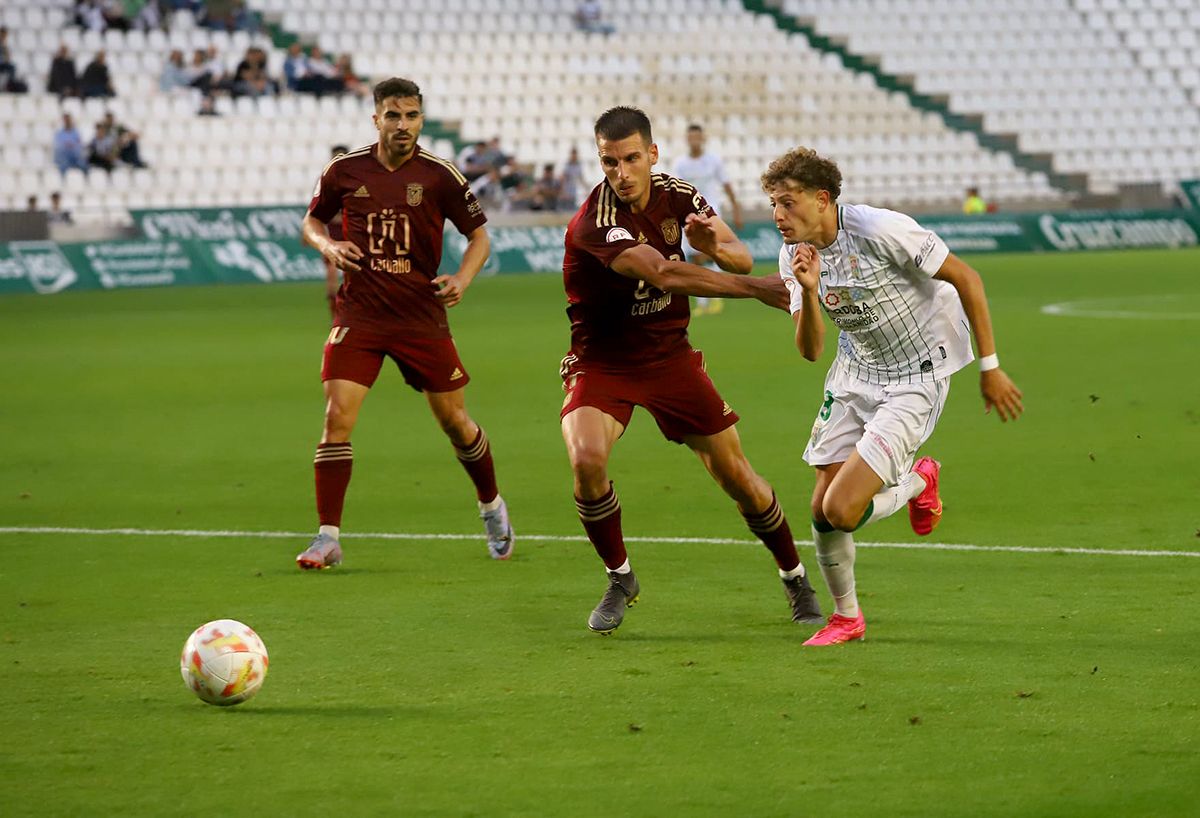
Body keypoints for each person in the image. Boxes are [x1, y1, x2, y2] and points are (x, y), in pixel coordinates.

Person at [560, 106, 822, 635]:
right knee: (587, 459)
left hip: (670, 358)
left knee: (739, 479)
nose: (621, 172)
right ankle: (620, 576)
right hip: (602, 362)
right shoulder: (595, 222)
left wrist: (714, 249)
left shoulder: (679, 195)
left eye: (631, 158)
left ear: (652, 155)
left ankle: (795, 576)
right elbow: (663, 272)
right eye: (609, 162)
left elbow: (740, 256)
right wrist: (757, 291)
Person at [764, 147, 1023, 646]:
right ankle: (848, 618)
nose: (778, 215)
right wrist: (810, 289)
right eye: (774, 203)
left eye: (788, 202)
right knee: (820, 507)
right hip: (854, 372)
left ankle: (919, 483)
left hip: (916, 376)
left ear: (822, 200)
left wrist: (990, 368)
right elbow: (811, 349)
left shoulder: (880, 230)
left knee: (840, 511)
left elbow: (967, 278)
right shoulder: (792, 256)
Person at [297, 77, 513, 569]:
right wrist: (329, 245)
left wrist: (463, 277)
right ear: (376, 119)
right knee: (337, 418)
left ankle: (491, 505)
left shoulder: (439, 176)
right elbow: (311, 222)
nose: (402, 125)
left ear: (421, 118)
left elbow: (480, 237)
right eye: (392, 116)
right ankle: (327, 536)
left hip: (421, 317)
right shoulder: (344, 170)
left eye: (411, 115)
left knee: (456, 423)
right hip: (361, 315)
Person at [673, 123, 743, 317]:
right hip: (690, 215)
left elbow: (726, 184)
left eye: (697, 137)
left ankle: (717, 296)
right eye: (691, 137)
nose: (694, 140)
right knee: (694, 258)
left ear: (703, 138)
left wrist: (736, 209)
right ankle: (702, 303)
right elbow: (676, 190)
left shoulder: (714, 160)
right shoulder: (680, 164)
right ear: (687, 140)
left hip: (711, 213)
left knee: (713, 253)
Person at [321, 144, 349, 316]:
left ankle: (349, 312)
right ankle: (334, 313)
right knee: (332, 273)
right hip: (332, 236)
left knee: (352, 275)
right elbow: (319, 212)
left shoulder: (357, 180)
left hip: (352, 234)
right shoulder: (326, 181)